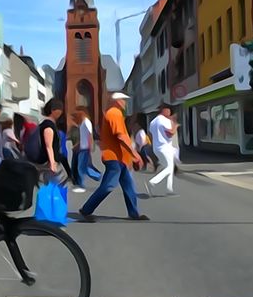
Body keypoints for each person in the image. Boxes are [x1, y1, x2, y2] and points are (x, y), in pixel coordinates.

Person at [79, 93, 148, 222]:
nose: (125, 102)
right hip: (114, 157)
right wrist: (134, 154)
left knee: (128, 185)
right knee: (109, 185)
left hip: (121, 158)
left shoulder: (116, 114)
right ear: (116, 101)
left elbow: (123, 137)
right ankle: (86, 209)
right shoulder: (114, 113)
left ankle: (134, 213)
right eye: (123, 100)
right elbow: (121, 136)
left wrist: (130, 157)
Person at [147, 104, 179, 196]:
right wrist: (175, 125)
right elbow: (170, 133)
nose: (170, 112)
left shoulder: (153, 122)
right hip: (165, 147)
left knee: (169, 166)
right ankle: (153, 182)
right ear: (164, 110)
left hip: (156, 148)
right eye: (169, 110)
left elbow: (150, 135)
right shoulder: (165, 121)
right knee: (169, 167)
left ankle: (169, 188)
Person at [73, 107, 101, 193]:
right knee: (85, 167)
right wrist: (77, 145)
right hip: (82, 148)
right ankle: (99, 176)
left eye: (78, 113)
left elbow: (90, 135)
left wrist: (90, 147)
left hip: (85, 149)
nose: (77, 114)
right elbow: (83, 137)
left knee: (81, 168)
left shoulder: (86, 122)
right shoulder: (82, 123)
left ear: (83, 112)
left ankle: (82, 186)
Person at [38, 98, 65, 175]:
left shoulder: (47, 124)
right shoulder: (48, 126)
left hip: (47, 162)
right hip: (47, 163)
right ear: (53, 110)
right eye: (59, 109)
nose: (61, 112)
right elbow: (48, 146)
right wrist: (52, 163)